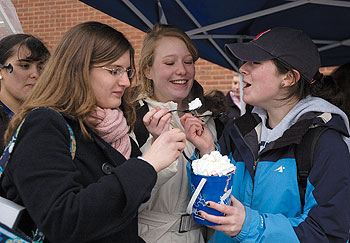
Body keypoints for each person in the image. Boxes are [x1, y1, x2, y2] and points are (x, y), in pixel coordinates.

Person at [0, 21, 186, 243]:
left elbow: (126, 213)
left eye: (127, 71)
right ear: (79, 68)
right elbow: (63, 221)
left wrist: (154, 148)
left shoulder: (112, 128)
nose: (126, 82)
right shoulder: (44, 124)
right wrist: (147, 164)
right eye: (114, 71)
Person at [180, 27, 350, 242]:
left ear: (288, 78)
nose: (242, 69)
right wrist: (208, 152)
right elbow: (210, 206)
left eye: (255, 62)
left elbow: (327, 233)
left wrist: (251, 225)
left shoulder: (325, 142)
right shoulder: (239, 130)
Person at [132, 24, 218, 243]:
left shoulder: (208, 120)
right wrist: (156, 146)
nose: (182, 70)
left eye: (188, 62)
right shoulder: (131, 120)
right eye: (170, 63)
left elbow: (218, 196)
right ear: (147, 70)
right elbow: (127, 198)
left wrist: (208, 151)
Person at [0, 34, 50, 152]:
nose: (35, 74)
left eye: (41, 67)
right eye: (25, 66)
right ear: (1, 71)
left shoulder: (51, 116)